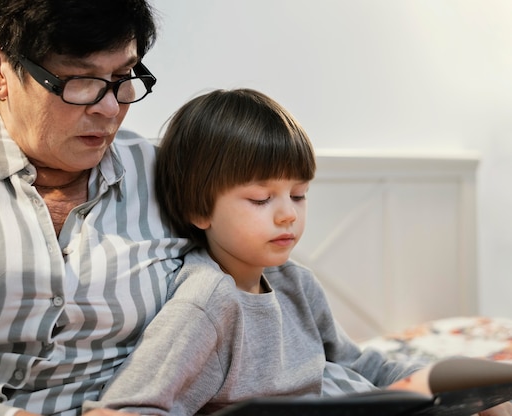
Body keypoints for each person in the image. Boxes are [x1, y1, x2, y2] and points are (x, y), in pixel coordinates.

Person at [84, 89, 512, 416]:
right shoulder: (207, 304)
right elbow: (133, 405)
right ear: (199, 209)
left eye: (299, 194)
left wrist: (446, 383)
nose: (288, 214)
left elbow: (357, 363)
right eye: (260, 199)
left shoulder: (295, 282)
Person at [0, 1, 191, 415]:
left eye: (122, 77)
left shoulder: (161, 173)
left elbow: (248, 289)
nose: (110, 107)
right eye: (81, 80)